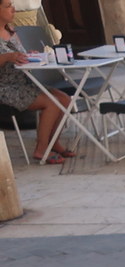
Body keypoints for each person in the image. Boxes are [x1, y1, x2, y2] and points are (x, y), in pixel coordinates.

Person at [0, 4, 74, 164]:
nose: (13, 9)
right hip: (5, 88)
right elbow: (9, 57)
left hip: (25, 83)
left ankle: (53, 142)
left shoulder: (11, 30)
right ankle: (41, 149)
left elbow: (19, 54)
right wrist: (7, 57)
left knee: (64, 99)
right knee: (52, 103)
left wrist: (29, 55)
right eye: (8, 6)